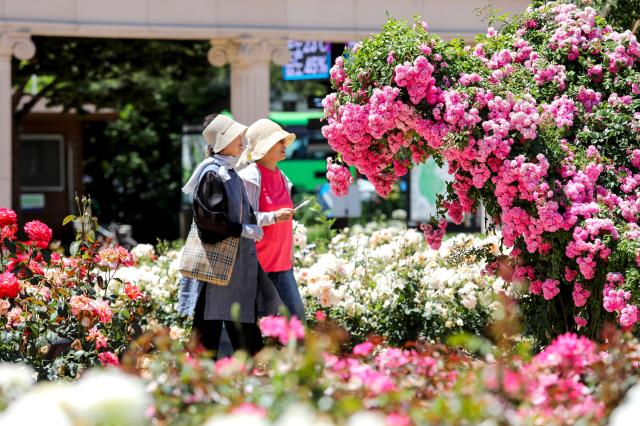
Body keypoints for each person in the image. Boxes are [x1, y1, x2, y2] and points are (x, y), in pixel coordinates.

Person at [179, 114, 282, 356]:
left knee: (233, 326)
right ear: (222, 141)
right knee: (211, 331)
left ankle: (226, 381)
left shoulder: (229, 171)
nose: (241, 141)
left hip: (233, 268)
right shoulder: (214, 173)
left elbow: (241, 214)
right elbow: (209, 221)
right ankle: (203, 384)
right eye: (236, 136)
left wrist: (264, 221)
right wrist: (243, 230)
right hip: (219, 267)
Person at [237, 118, 306, 322]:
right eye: (279, 141)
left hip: (282, 264)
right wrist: (274, 217)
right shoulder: (249, 177)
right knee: (255, 327)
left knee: (296, 323)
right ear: (264, 147)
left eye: (284, 141)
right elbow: (243, 220)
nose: (284, 145)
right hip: (258, 267)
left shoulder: (282, 176)